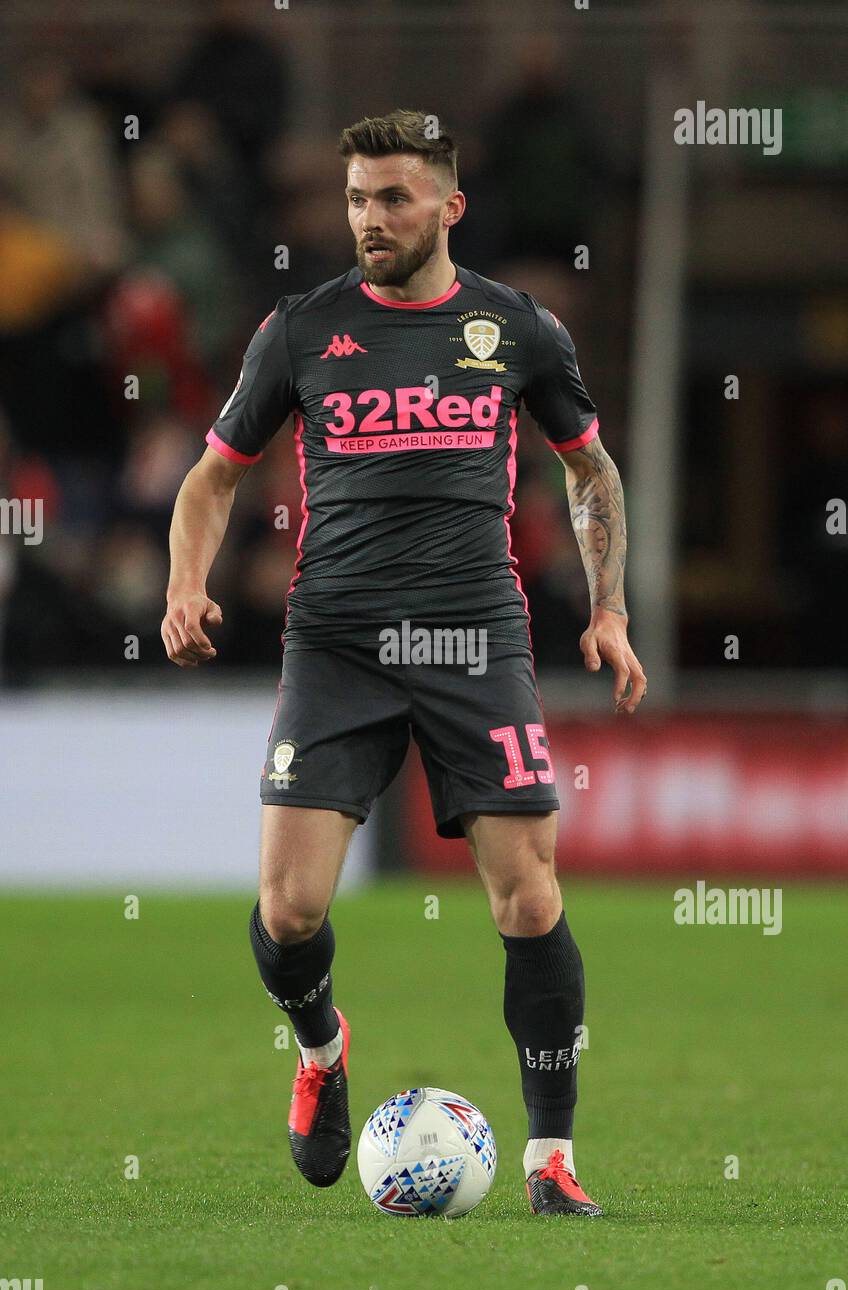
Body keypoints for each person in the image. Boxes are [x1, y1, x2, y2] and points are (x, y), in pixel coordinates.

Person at [161, 110, 647, 1217]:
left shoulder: (515, 328)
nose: (368, 219)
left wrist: (609, 608)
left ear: (446, 207)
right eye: (354, 199)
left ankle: (549, 1158)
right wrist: (187, 583)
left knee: (527, 900)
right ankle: (323, 1048)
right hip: (335, 641)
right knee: (287, 911)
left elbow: (590, 472)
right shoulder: (300, 330)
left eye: (390, 198)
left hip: (476, 637)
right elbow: (210, 478)